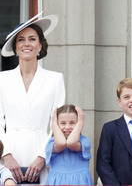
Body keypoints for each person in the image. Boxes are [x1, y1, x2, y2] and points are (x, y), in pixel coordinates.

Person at [0, 12, 65, 184]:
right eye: (21, 39)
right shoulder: (2, 79)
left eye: (32, 39)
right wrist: (6, 155)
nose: (26, 44)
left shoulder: (55, 79)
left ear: (40, 45)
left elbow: (57, 123)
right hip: (9, 154)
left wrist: (42, 156)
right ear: (15, 47)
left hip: (40, 154)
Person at [45, 104, 93, 185]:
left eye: (72, 123)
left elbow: (71, 143)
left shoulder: (84, 141)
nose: (67, 127)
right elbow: (61, 143)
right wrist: (53, 122)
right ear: (57, 124)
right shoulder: (51, 143)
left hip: (79, 182)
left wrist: (81, 121)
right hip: (57, 182)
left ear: (78, 124)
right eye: (63, 123)